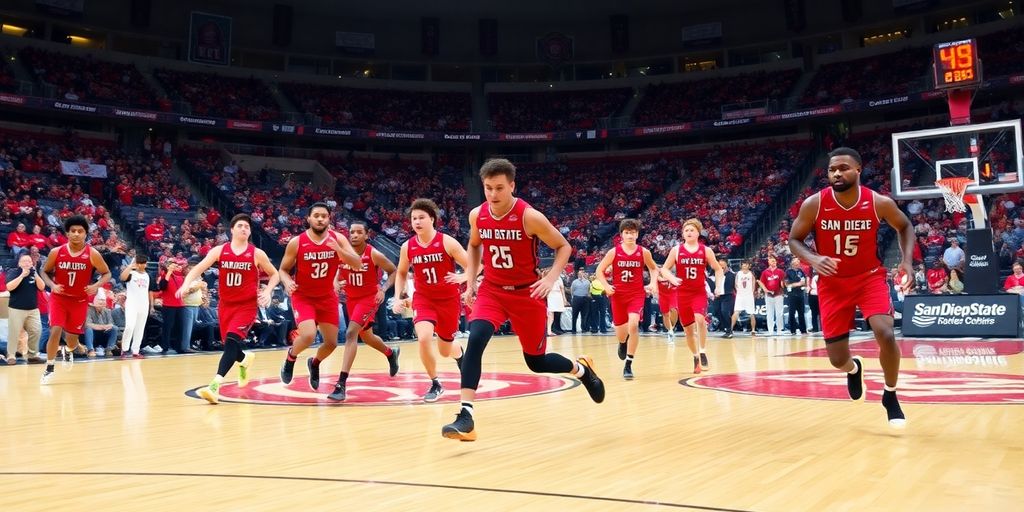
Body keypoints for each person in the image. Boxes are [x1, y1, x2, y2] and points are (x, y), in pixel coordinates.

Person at [442, 158, 605, 442]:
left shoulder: (530, 216)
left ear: (512, 186)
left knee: (537, 362)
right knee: (476, 339)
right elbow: (474, 244)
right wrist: (470, 281)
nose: (493, 194)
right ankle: (465, 415)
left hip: (527, 293)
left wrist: (551, 278)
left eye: (499, 188)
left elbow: (563, 246)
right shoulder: (477, 215)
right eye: (488, 188)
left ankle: (581, 370)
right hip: (493, 289)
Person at [789, 147, 914, 428]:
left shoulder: (877, 202)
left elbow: (905, 226)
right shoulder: (814, 204)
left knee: (885, 333)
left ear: (858, 170)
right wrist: (812, 257)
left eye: (843, 168)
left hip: (869, 278)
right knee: (837, 360)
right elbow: (794, 239)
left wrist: (907, 262)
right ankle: (854, 368)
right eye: (832, 169)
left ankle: (890, 395)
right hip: (832, 284)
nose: (836, 173)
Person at [179, 213, 280, 404]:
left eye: (247, 227)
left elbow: (274, 275)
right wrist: (186, 283)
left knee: (232, 340)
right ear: (232, 229)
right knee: (230, 346)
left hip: (246, 306)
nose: (244, 229)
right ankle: (244, 359)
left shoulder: (256, 253)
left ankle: (214, 386)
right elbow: (198, 268)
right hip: (226, 305)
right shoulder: (219, 251)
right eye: (240, 225)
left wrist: (268, 291)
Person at [277, 203, 365, 392]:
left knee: (332, 343)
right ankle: (290, 357)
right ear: (308, 219)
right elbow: (283, 270)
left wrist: (339, 251)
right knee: (308, 335)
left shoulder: (338, 238)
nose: (320, 219)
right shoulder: (297, 242)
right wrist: (286, 282)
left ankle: (315, 363)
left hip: (327, 297)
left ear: (329, 219)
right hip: (303, 296)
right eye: (316, 215)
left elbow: (357, 263)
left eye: (324, 216)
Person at [392, 198, 468, 402]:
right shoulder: (408, 246)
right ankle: (435, 382)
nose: (416, 222)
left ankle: (460, 354)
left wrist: (463, 276)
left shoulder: (447, 242)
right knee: (424, 338)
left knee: (445, 350)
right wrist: (398, 297)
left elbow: (475, 265)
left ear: (432, 219)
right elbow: (400, 273)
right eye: (413, 218)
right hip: (424, 299)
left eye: (421, 217)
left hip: (448, 300)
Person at [327, 221, 402, 401]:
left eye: (359, 232)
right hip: (351, 299)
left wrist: (383, 290)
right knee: (366, 337)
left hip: (369, 299)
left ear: (366, 235)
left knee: (351, 333)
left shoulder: (373, 254)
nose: (354, 235)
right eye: (352, 232)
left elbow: (393, 271)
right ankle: (390, 354)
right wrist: (336, 282)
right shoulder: (343, 253)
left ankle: (341, 384)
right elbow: (336, 272)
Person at [38, 215, 112, 384]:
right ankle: (49, 368)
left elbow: (106, 273)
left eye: (80, 231)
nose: (76, 234)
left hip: (79, 301)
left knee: (71, 340)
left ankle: (70, 349)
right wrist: (52, 285)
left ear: (86, 234)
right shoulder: (56, 252)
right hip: (59, 298)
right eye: (73, 231)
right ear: (67, 233)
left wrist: (96, 286)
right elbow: (44, 271)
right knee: (55, 329)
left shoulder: (92, 254)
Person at [594, 218, 659, 379]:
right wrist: (606, 286)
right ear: (621, 235)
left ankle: (628, 364)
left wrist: (652, 283)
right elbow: (599, 271)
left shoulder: (643, 252)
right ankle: (623, 343)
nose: (630, 235)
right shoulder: (613, 252)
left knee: (634, 325)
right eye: (627, 232)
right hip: (618, 295)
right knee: (622, 333)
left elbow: (653, 268)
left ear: (637, 234)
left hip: (636, 294)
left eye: (633, 232)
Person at [659, 218, 724, 374]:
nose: (689, 232)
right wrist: (672, 278)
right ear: (682, 233)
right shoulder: (676, 250)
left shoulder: (706, 250)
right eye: (686, 230)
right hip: (682, 293)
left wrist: (719, 286)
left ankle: (702, 351)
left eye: (692, 230)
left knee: (700, 320)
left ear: (698, 233)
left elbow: (718, 269)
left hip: (698, 291)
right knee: (688, 330)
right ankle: (695, 356)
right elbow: (664, 269)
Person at [5, 253, 46, 364]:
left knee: (36, 331)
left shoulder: (34, 274)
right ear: (19, 263)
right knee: (14, 333)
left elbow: (42, 287)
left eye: (29, 261)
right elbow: (9, 287)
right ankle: (11, 356)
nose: (27, 263)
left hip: (33, 309)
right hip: (16, 308)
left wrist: (36, 274)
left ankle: (32, 355)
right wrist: (22, 275)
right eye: (24, 261)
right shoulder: (13, 272)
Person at [119, 253, 154, 358]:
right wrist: (129, 267)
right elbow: (122, 277)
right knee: (129, 326)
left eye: (141, 263)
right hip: (132, 304)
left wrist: (151, 306)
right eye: (137, 263)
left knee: (140, 328)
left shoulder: (148, 275)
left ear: (145, 264)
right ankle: (124, 349)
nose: (139, 265)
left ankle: (135, 351)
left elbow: (150, 291)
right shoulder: (131, 273)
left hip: (143, 304)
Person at [758, 256, 786, 336]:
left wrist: (783, 284)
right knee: (769, 313)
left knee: (779, 313)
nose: (773, 262)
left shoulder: (780, 271)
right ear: (769, 262)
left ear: (776, 262)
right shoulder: (765, 272)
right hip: (769, 295)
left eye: (774, 261)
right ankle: (770, 330)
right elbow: (761, 282)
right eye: (772, 261)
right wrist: (765, 290)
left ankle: (779, 330)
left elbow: (784, 282)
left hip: (779, 294)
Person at [731, 260, 757, 336]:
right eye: (743, 264)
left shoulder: (751, 274)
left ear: (749, 265)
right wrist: (739, 292)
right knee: (736, 312)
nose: (745, 266)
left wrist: (751, 293)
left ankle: (753, 330)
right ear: (741, 265)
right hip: (740, 296)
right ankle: (731, 329)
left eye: (746, 264)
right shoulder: (738, 273)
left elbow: (753, 284)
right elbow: (736, 284)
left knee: (751, 313)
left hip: (749, 296)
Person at [785, 257, 808, 335]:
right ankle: (793, 330)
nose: (798, 264)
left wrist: (804, 285)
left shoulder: (801, 271)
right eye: (796, 263)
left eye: (798, 263)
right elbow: (787, 284)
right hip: (792, 295)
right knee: (792, 313)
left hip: (800, 294)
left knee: (801, 313)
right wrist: (797, 284)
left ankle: (803, 330)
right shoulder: (788, 272)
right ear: (793, 264)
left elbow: (804, 281)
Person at [714, 257, 736, 338]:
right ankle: (726, 328)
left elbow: (735, 286)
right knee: (717, 311)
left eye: (722, 265)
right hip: (718, 296)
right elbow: (716, 284)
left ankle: (730, 330)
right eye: (720, 265)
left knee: (725, 311)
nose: (721, 267)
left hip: (728, 295)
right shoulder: (717, 273)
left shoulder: (731, 274)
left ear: (726, 264)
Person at [656, 274, 679, 340]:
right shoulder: (656, 273)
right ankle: (670, 331)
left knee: (674, 309)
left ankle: (672, 327)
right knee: (665, 314)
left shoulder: (675, 269)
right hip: (662, 294)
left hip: (673, 294)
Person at [545, 269, 567, 336]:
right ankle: (549, 330)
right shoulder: (548, 279)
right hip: (551, 295)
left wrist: (564, 299)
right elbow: (546, 290)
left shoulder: (559, 278)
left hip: (558, 296)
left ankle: (550, 330)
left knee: (554, 314)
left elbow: (562, 288)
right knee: (550, 314)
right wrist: (546, 297)